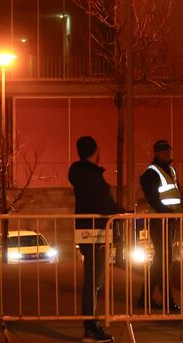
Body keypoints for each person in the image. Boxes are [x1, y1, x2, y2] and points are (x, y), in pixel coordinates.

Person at [69, 136, 123, 343]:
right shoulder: (91, 177)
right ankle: (90, 327)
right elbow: (104, 205)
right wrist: (120, 212)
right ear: (95, 151)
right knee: (93, 281)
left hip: (90, 232)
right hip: (96, 233)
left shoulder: (82, 174)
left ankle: (90, 325)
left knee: (93, 280)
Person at [137, 140, 183, 311]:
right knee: (164, 261)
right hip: (160, 221)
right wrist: (168, 213)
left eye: (168, 150)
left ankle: (145, 297)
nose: (167, 153)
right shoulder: (151, 173)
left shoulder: (170, 170)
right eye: (163, 151)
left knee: (161, 261)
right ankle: (167, 301)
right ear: (155, 152)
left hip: (169, 221)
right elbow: (153, 199)